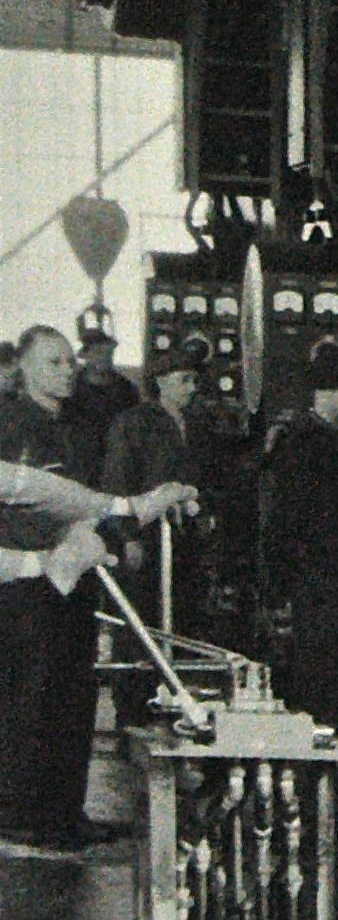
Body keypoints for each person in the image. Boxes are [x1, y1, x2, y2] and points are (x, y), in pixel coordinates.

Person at [0, 327, 196, 850]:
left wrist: (110, 535)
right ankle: (21, 814)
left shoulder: (84, 426)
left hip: (82, 575)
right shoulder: (9, 424)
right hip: (29, 589)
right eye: (53, 362)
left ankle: (66, 811)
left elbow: (99, 494)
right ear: (24, 367)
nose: (67, 370)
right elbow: (22, 504)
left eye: (69, 362)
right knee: (30, 700)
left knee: (75, 697)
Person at [259, 342, 338, 742]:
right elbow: (281, 521)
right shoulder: (297, 444)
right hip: (319, 584)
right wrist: (278, 589)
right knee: (321, 681)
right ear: (331, 392)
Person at [101, 355, 207, 727]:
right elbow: (116, 482)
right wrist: (127, 537)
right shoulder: (132, 424)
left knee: (183, 625)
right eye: (183, 379)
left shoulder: (197, 425)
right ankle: (132, 715)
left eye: (194, 381)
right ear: (159, 381)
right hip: (145, 541)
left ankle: (178, 709)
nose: (192, 389)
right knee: (139, 627)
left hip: (184, 542)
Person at [65, 319, 140, 488]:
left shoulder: (126, 389)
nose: (104, 358)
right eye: (97, 352)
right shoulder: (71, 387)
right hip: (79, 462)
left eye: (108, 353)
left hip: (116, 463)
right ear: (86, 356)